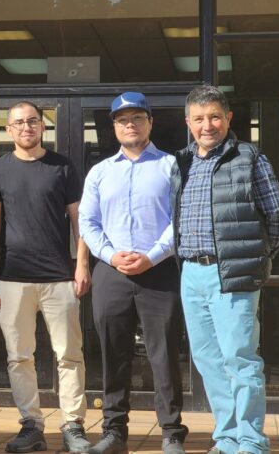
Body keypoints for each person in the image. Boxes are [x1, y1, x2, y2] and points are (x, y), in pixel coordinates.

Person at [172, 85, 279, 454]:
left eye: (214, 117)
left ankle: (252, 442)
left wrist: (256, 260)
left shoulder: (250, 158)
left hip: (234, 274)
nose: (207, 125)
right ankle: (226, 437)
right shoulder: (182, 162)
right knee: (208, 360)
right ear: (188, 123)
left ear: (228, 119)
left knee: (240, 358)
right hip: (191, 273)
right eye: (199, 118)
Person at [79, 92, 188, 454]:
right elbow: (88, 223)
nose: (130, 124)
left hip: (159, 272)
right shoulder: (99, 172)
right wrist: (111, 255)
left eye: (137, 117)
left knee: (164, 353)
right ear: (114, 126)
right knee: (113, 353)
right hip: (112, 273)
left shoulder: (171, 166)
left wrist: (152, 256)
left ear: (150, 122)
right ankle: (114, 433)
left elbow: (180, 220)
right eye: (123, 119)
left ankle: (171, 432)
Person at [0, 101, 92, 454]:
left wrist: (81, 264)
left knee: (69, 355)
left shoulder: (61, 166)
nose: (26, 127)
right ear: (9, 130)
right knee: (19, 356)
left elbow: (79, 220)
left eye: (32, 121)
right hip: (14, 278)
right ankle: (31, 424)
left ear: (42, 127)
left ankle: (73, 425)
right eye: (18, 122)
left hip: (59, 277)